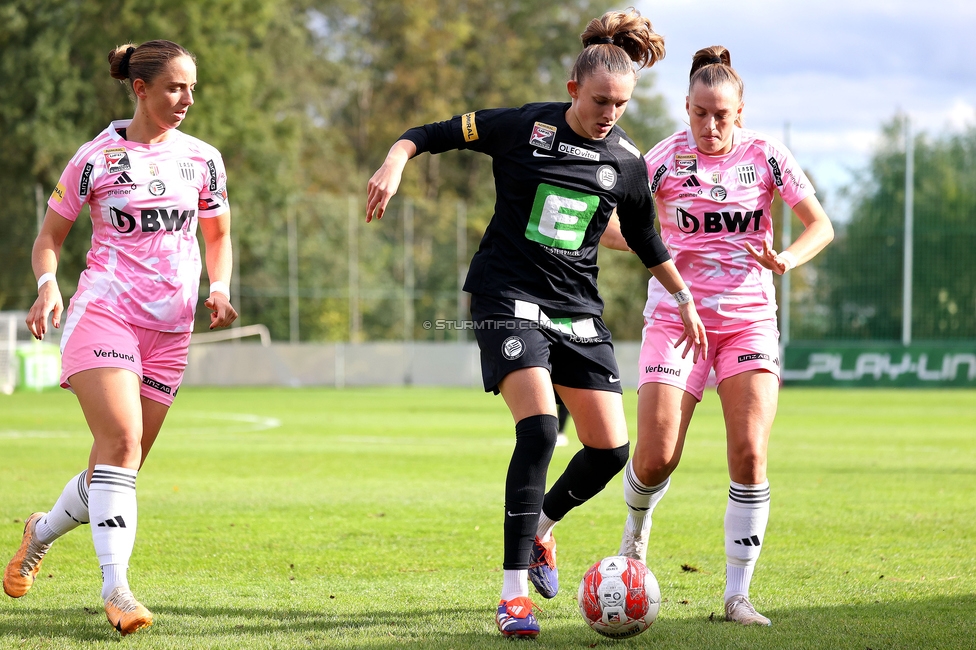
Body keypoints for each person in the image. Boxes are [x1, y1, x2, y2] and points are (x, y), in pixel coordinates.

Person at [367, 9, 706, 639]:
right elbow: (428, 131)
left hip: (577, 309)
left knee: (609, 451)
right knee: (542, 429)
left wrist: (683, 297)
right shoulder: (523, 126)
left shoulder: (627, 164)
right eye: (601, 100)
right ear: (574, 88)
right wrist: (395, 161)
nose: (611, 113)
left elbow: (646, 238)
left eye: (622, 104)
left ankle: (543, 530)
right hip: (506, 296)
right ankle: (512, 594)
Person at [2, 40, 237, 636]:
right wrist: (48, 284)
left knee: (118, 466)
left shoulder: (204, 159)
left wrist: (219, 284)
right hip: (105, 313)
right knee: (123, 442)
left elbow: (217, 235)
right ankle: (118, 591)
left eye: (191, 88)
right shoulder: (95, 158)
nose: (186, 99)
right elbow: (49, 236)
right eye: (174, 87)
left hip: (171, 330)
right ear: (140, 89)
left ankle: (41, 531)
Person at [611, 45, 834, 626]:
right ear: (686, 107)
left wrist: (784, 257)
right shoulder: (662, 157)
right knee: (657, 456)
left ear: (740, 111)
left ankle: (737, 596)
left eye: (722, 115)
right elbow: (614, 223)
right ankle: (635, 534)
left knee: (750, 452)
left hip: (748, 321)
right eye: (701, 113)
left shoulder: (767, 156)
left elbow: (821, 225)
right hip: (675, 321)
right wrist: (646, 242)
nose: (711, 126)